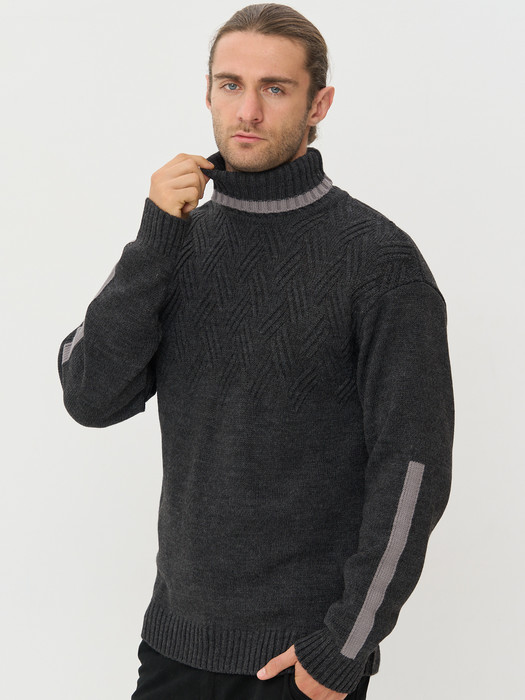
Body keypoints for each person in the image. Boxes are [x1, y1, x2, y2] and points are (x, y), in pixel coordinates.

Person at [57, 4, 454, 699]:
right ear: (208, 92)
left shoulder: (379, 263)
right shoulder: (175, 242)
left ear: (318, 104)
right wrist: (153, 241)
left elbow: (413, 468)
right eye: (230, 84)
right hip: (173, 646)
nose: (247, 110)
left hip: (298, 661)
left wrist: (345, 646)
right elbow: (90, 396)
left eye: (275, 88)